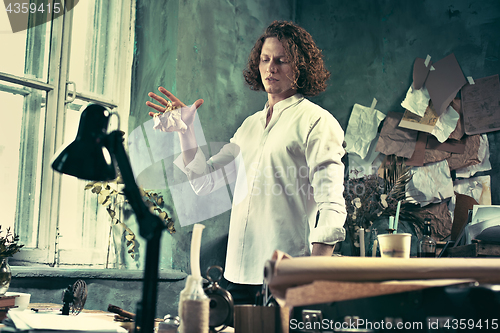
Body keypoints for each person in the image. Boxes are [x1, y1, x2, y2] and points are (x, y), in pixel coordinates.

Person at [146, 20, 346, 305]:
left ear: (300, 67)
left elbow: (332, 204)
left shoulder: (317, 122)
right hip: (237, 276)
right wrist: (186, 130)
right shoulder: (248, 127)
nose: (271, 68)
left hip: (287, 277)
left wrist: (311, 275)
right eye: (265, 59)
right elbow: (204, 182)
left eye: (282, 60)